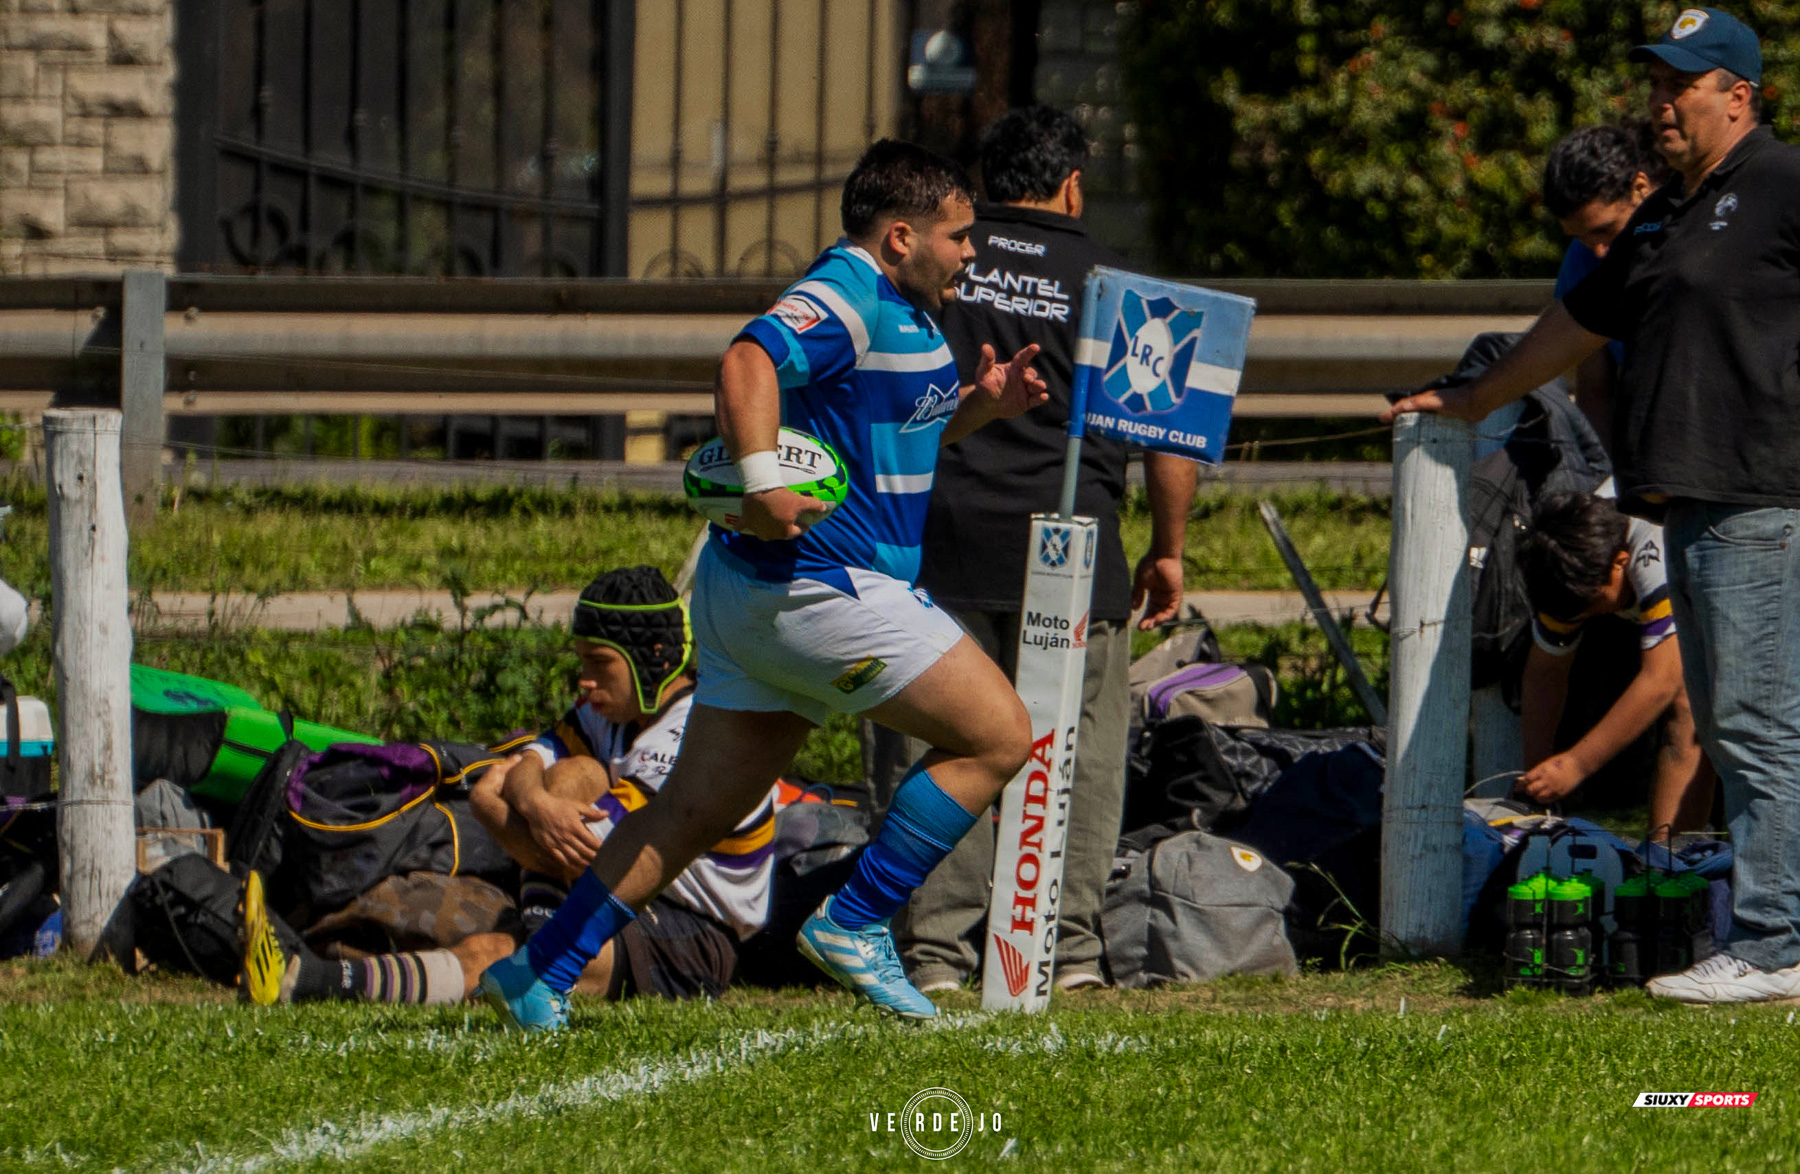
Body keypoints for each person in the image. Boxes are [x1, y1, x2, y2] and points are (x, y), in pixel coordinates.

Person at [478, 139, 1049, 1030]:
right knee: (1000, 735)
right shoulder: (850, 289)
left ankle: (537, 972)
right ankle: (856, 919)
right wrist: (760, 481)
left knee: (691, 811)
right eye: (958, 235)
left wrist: (985, 404)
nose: (971, 253)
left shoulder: (902, 307)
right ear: (901, 237)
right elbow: (747, 361)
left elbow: (889, 435)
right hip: (818, 586)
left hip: (759, 596)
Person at [1386, 9, 1800, 1003]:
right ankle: (1771, 930)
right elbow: (1574, 324)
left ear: (1738, 95)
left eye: (1682, 85)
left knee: (1758, 727)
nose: (1661, 103)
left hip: (1759, 499)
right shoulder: (1665, 215)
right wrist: (1471, 399)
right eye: (1655, 83)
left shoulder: (1784, 185)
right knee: (1732, 724)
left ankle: (1776, 945)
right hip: (1686, 505)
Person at [870, 105, 1197, 993]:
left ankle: (934, 954)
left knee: (938, 741)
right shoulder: (1123, 285)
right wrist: (1167, 548)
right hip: (1076, 549)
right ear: (1073, 185)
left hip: (936, 542)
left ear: (984, 184)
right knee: (1074, 752)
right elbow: (1168, 435)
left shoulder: (939, 261)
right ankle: (1066, 953)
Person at [241, 566, 776, 1007]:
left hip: (693, 935)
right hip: (617, 888)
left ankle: (305, 981)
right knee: (571, 775)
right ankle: (540, 927)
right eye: (581, 661)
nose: (584, 680)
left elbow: (586, 853)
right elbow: (526, 764)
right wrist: (536, 801)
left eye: (599, 664)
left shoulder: (689, 740)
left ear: (653, 658)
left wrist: (501, 804)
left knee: (497, 954)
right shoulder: (612, 714)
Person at [1516, 491, 1713, 832]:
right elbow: (1545, 674)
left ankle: (1673, 855)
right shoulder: (1566, 557)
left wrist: (1575, 765)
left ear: (1621, 562)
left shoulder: (1653, 552)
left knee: (1688, 703)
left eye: (1593, 602)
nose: (1588, 614)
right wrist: (1538, 777)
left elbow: (1662, 679)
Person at [1541, 122, 1670, 441]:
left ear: (1640, 189)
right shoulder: (1582, 259)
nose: (1599, 252)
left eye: (1604, 230)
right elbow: (1596, 392)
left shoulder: (1696, 235)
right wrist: (1601, 468)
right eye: (1581, 237)